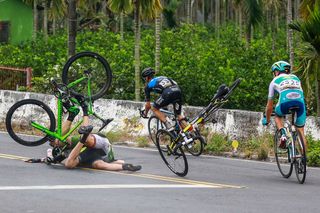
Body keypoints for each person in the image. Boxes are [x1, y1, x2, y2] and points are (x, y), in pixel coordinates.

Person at [40, 95, 141, 172]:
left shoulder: (66, 142)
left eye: (52, 142)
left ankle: (83, 110)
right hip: (96, 155)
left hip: (99, 144)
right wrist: (43, 159)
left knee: (78, 140)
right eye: (52, 144)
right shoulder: (60, 153)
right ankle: (126, 166)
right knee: (94, 165)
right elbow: (53, 158)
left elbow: (55, 144)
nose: (53, 143)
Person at [262, 60, 307, 150]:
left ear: (277, 71)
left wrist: (267, 119)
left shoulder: (274, 81)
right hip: (300, 103)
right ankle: (303, 160)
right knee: (301, 131)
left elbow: (269, 106)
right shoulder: (295, 78)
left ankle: (283, 134)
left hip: (285, 103)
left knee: (277, 116)